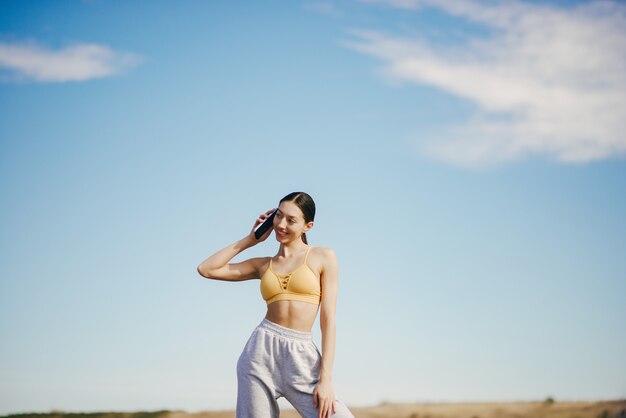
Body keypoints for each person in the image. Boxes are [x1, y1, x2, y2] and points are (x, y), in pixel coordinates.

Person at [197, 191, 355, 418]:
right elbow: (207, 269)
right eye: (278, 216)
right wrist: (250, 240)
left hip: (301, 356)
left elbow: (328, 321)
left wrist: (326, 380)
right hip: (259, 354)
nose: (281, 224)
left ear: (307, 226)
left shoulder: (323, 256)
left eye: (291, 220)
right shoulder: (263, 265)